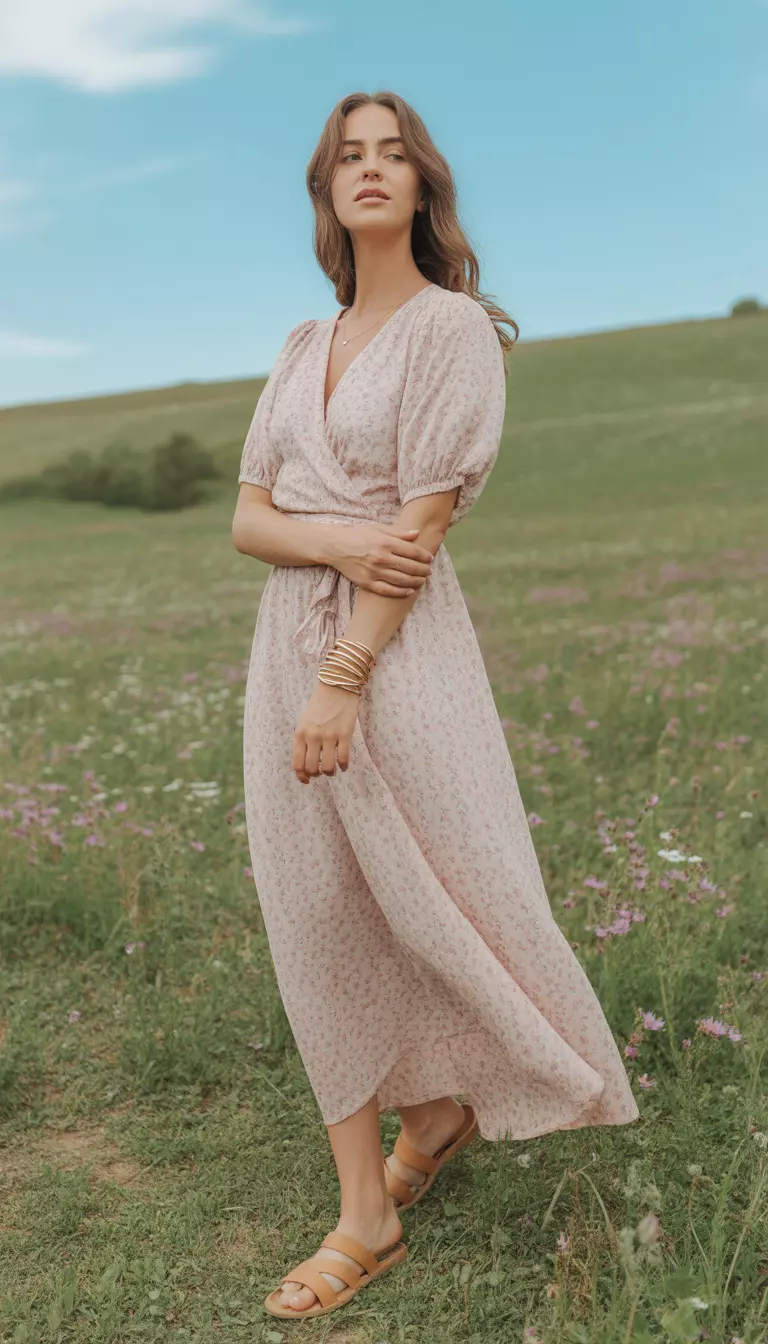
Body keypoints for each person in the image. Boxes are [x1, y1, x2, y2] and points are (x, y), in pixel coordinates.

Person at [231, 89, 639, 1323]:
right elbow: (246, 520)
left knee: (446, 890)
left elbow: (420, 530)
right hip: (282, 651)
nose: (369, 171)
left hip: (395, 664)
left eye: (391, 154)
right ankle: (373, 1203)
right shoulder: (304, 343)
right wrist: (340, 547)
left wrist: (345, 676)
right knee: (313, 912)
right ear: (325, 190)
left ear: (422, 186)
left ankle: (464, 1100)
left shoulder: (453, 329)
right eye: (347, 157)